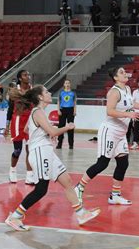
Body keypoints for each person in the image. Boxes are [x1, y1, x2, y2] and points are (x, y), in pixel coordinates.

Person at [5, 85, 100, 231]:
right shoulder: (37, 112)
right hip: (40, 152)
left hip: (47, 151)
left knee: (67, 181)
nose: (50, 93)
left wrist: (45, 134)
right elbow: (53, 131)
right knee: (41, 189)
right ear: (41, 97)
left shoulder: (38, 112)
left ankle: (81, 214)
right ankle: (15, 216)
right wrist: (67, 127)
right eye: (47, 92)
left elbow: (27, 129)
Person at [74, 67, 139, 206]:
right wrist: (128, 114)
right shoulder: (113, 92)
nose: (125, 74)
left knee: (123, 163)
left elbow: (132, 104)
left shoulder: (128, 89)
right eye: (122, 72)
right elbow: (110, 111)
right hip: (110, 131)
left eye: (125, 72)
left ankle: (115, 195)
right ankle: (79, 187)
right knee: (102, 163)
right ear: (116, 78)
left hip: (121, 134)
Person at [5, 70, 34, 184]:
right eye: (25, 75)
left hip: (30, 121)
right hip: (17, 121)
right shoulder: (14, 92)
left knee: (30, 149)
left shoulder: (33, 91)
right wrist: (7, 126)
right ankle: (12, 170)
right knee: (17, 150)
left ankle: (29, 175)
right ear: (20, 78)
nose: (28, 76)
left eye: (28, 74)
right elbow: (10, 110)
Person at [56, 79, 77, 150]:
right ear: (64, 85)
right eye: (66, 83)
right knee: (61, 126)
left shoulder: (73, 93)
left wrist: (74, 111)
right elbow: (58, 101)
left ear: (70, 84)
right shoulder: (61, 92)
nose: (67, 84)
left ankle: (71, 144)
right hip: (62, 110)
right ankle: (59, 143)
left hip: (70, 110)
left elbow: (74, 102)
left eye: (68, 83)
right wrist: (58, 110)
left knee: (70, 127)